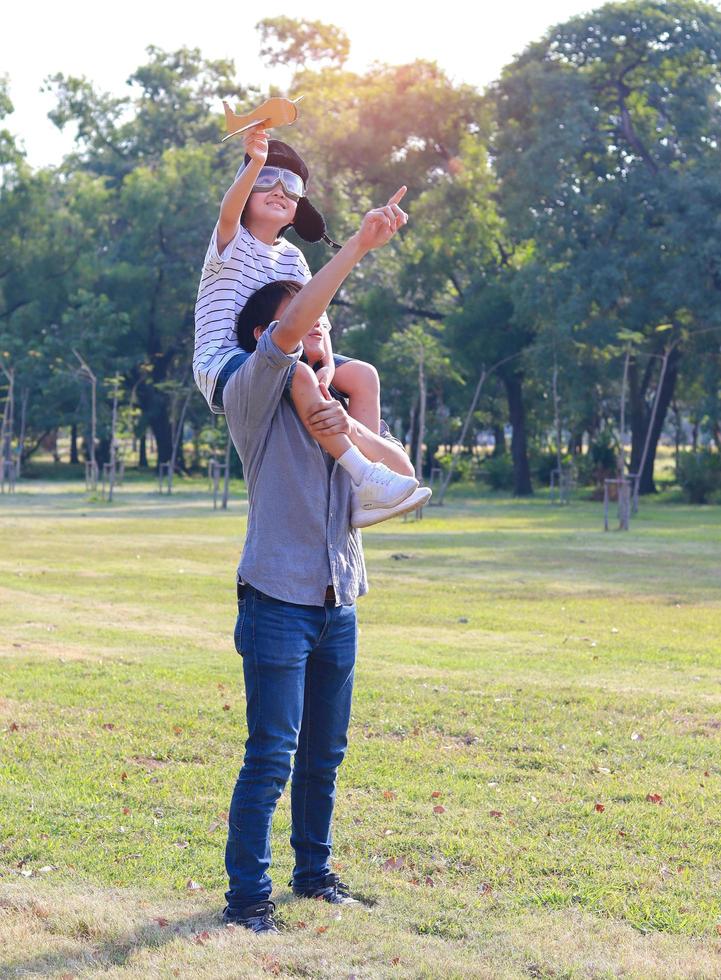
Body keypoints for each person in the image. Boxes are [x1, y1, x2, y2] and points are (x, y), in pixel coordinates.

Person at [221, 191, 427, 934]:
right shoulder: (251, 394)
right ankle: (248, 896)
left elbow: (399, 471)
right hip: (277, 596)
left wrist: (355, 437)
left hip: (339, 597)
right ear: (266, 335)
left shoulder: (335, 395)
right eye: (306, 324)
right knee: (271, 754)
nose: (320, 335)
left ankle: (315, 874)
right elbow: (292, 330)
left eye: (326, 328)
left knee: (323, 756)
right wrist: (358, 248)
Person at [194, 126, 382, 433]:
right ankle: (358, 465)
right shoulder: (231, 240)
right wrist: (255, 161)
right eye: (266, 180)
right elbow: (227, 214)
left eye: (291, 185)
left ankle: (374, 466)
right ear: (246, 193)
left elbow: (316, 320)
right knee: (297, 374)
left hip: (286, 359)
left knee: (364, 375)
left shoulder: (293, 258)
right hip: (224, 365)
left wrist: (328, 367)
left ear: (297, 212)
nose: (279, 190)